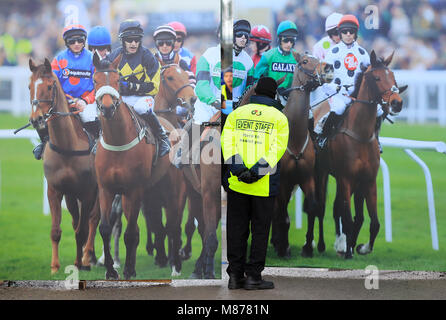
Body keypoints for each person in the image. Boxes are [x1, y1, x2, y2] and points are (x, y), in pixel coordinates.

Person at [221, 76, 289, 290]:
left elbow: (227, 144)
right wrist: (257, 172)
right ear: (273, 94)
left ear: (256, 92)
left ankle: (234, 277)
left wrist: (239, 170)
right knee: (260, 231)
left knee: (236, 229)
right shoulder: (279, 117)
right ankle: (253, 278)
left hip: (237, 182)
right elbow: (276, 150)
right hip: (264, 184)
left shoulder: (236, 114)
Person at [314, 14, 382, 150]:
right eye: (345, 31)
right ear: (340, 33)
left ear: (356, 33)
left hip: (358, 97)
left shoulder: (363, 53)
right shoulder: (332, 52)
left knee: (379, 110)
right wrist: (335, 88)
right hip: (339, 95)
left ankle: (376, 138)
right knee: (338, 108)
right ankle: (323, 137)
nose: (348, 34)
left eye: (351, 31)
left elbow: (370, 77)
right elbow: (324, 78)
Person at [105, 19, 170, 157]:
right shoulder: (113, 57)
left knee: (142, 108)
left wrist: (130, 86)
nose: (134, 43)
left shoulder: (148, 57)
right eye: (129, 40)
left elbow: (153, 88)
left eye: (136, 39)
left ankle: (162, 138)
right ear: (122, 40)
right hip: (121, 98)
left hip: (143, 98)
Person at [32, 24, 97, 160]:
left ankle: (97, 146)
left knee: (90, 116)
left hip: (86, 102)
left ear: (84, 40)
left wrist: (85, 101)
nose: (77, 44)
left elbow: (98, 85)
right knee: (41, 117)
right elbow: (51, 81)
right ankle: (44, 143)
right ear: (67, 43)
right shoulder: (59, 58)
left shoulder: (92, 58)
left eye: (80, 40)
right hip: (64, 101)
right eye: (72, 41)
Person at [254, 20, 299, 105]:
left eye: (292, 41)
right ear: (279, 39)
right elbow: (256, 79)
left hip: (290, 99)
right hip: (269, 97)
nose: (289, 44)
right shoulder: (268, 56)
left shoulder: (297, 57)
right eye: (286, 40)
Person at [232, 19, 254, 105]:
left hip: (238, 105)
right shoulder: (219, 55)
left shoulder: (249, 62)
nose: (243, 38)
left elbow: (249, 87)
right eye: (239, 34)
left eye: (246, 35)